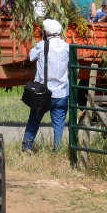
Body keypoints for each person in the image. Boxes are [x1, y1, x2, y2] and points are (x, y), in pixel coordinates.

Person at [22, 19, 70, 153]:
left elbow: (31, 57)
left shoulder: (42, 46)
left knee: (34, 121)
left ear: (46, 32)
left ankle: (26, 148)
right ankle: (57, 151)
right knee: (59, 125)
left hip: (43, 93)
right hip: (61, 93)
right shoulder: (67, 47)